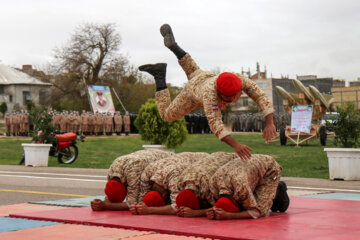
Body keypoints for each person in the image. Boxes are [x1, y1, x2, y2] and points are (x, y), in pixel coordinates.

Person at [139, 24, 277, 160]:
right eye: (228, 100)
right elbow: (215, 124)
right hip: (193, 92)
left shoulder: (240, 79)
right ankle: (159, 75)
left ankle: (173, 45)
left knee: (192, 69)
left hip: (202, 76)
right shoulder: (210, 96)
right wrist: (236, 145)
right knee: (166, 115)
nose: (237, 99)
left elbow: (260, 96)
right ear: (221, 95)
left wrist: (270, 122)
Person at [206, 154, 289, 220]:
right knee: (249, 201)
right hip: (248, 170)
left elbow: (255, 212)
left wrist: (229, 215)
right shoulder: (213, 184)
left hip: (269, 169)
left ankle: (278, 189)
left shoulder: (241, 188)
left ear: (236, 200)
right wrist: (213, 210)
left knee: (262, 207)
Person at [90, 149, 173, 212]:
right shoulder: (112, 171)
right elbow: (111, 194)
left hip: (167, 159)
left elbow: (132, 204)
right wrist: (100, 203)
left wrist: (105, 206)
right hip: (148, 158)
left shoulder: (133, 172)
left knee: (152, 200)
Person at [130, 152, 210, 216]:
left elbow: (176, 207)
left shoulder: (174, 178)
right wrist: (137, 206)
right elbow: (142, 197)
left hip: (203, 159)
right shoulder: (146, 174)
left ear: (165, 195)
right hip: (180, 159)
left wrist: (149, 210)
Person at [174, 152, 238, 217]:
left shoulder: (206, 186)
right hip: (215, 156)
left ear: (197, 196)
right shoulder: (180, 181)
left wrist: (195, 213)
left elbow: (218, 209)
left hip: (232, 159)